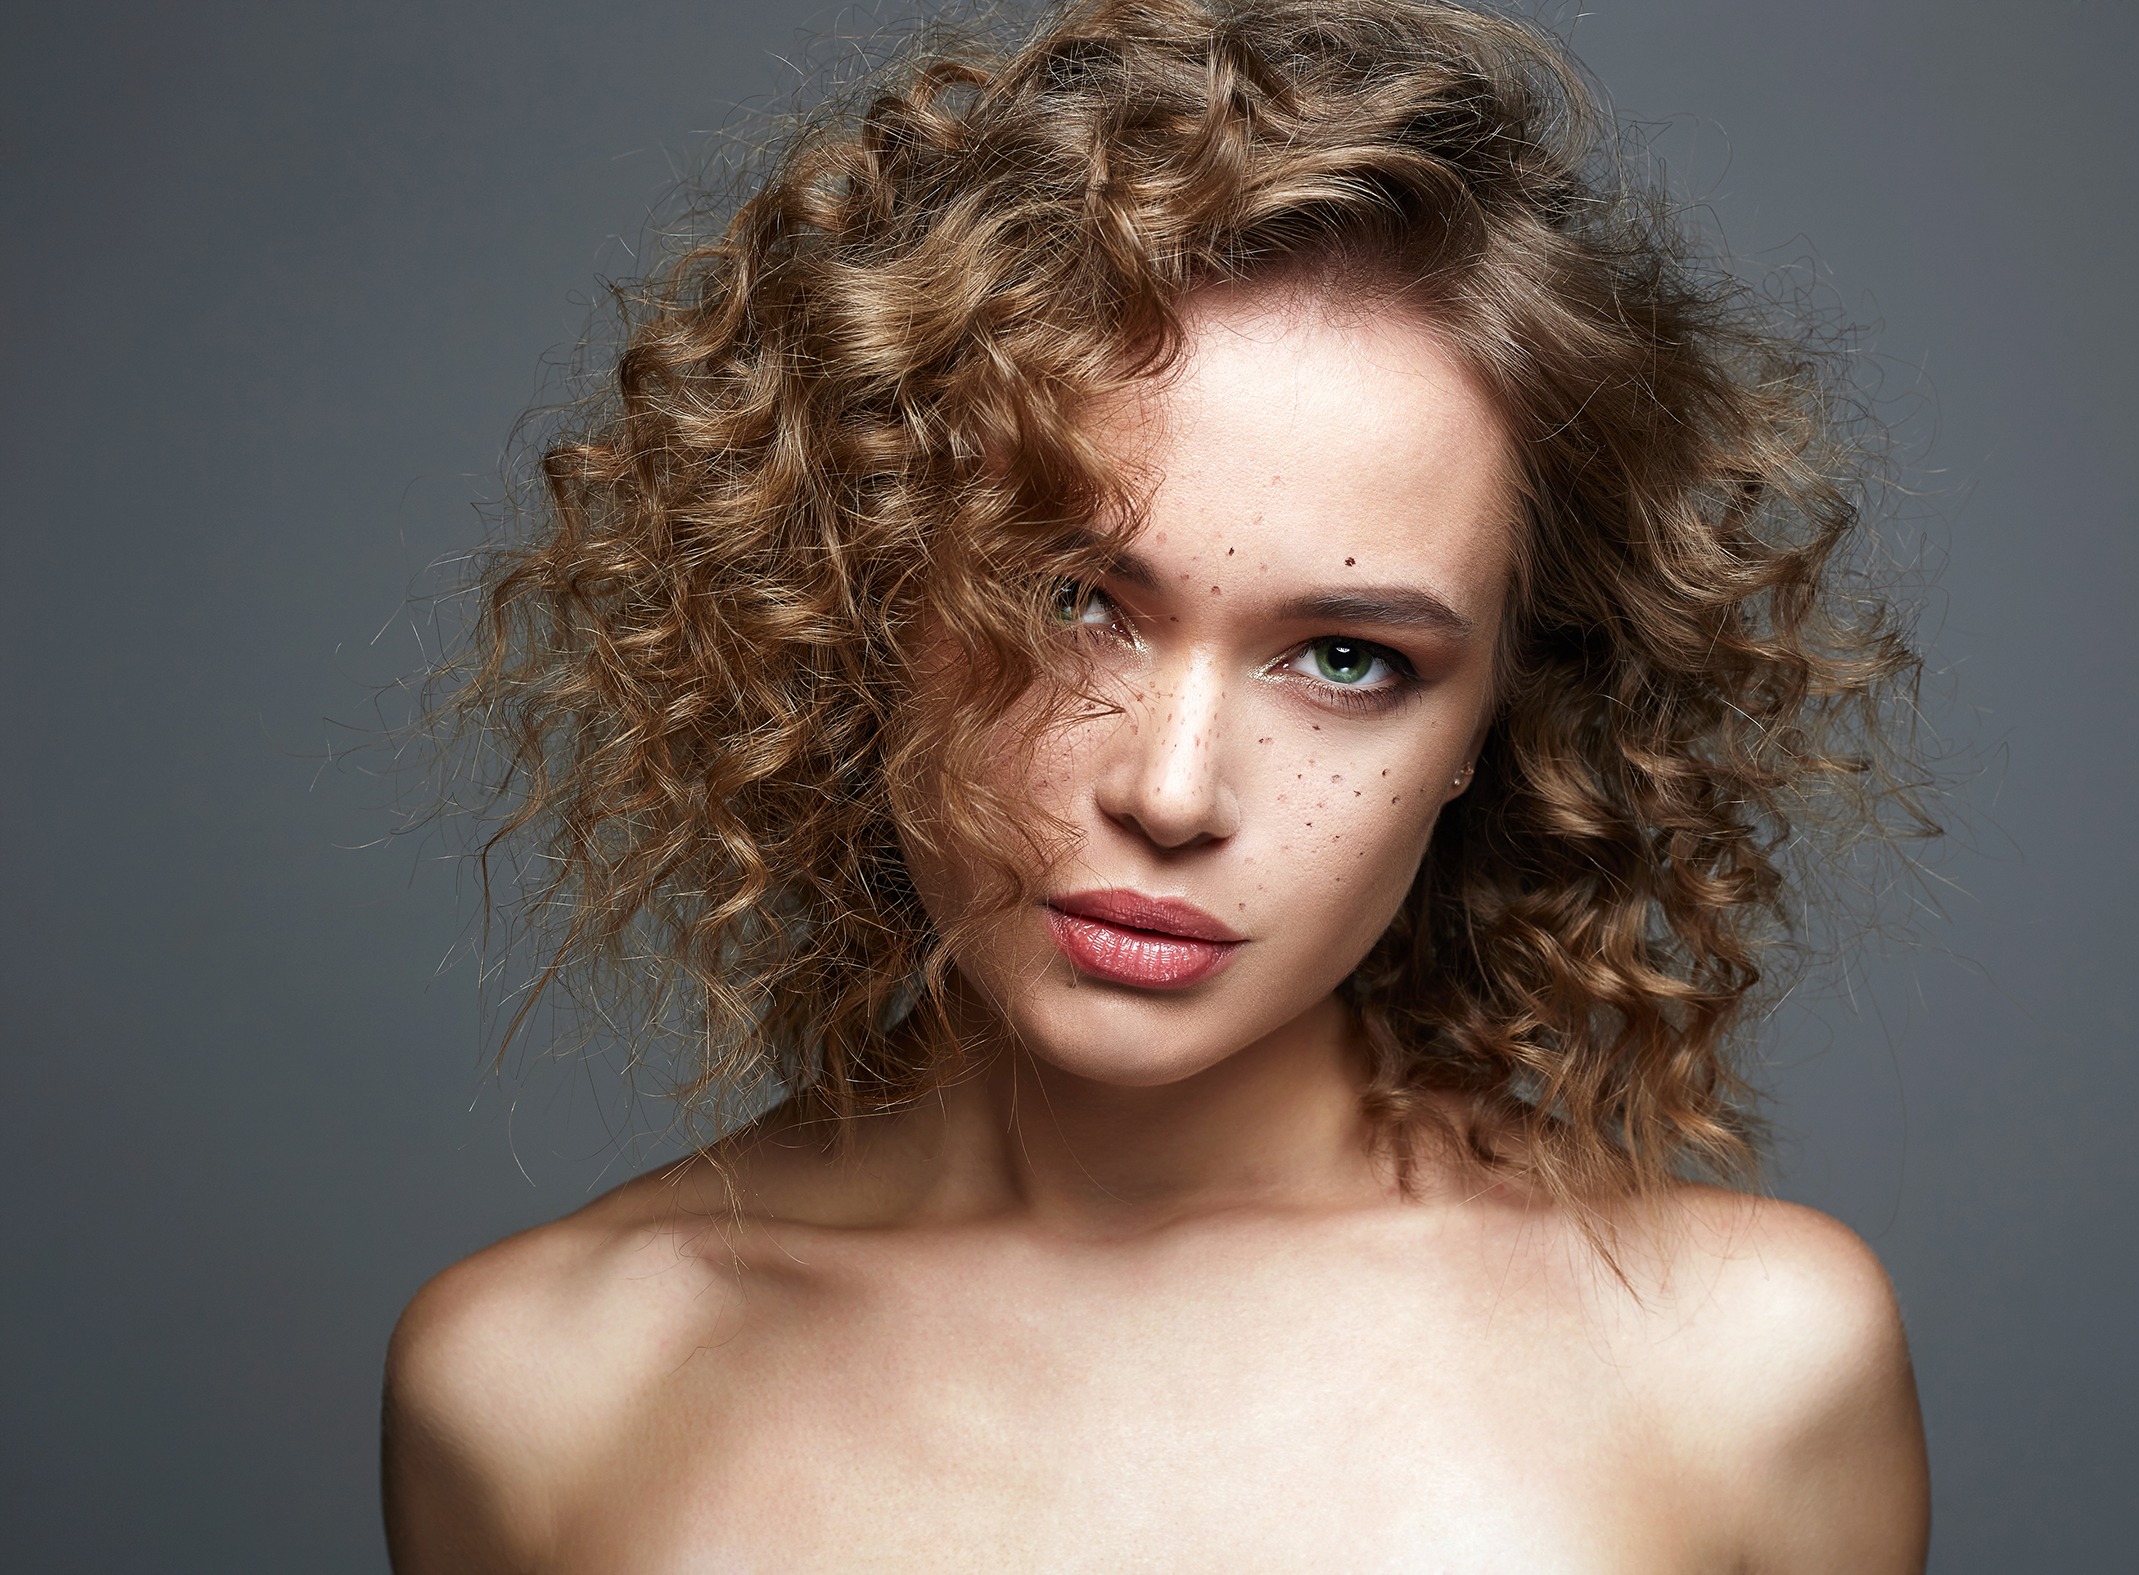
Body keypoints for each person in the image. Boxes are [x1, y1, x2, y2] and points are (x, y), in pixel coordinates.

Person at [384, 0, 1934, 1566]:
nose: (1175, 793)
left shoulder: (1741, 1368)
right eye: (1073, 604)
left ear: (1487, 724)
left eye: (1345, 661)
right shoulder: (544, 1385)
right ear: (864, 596)